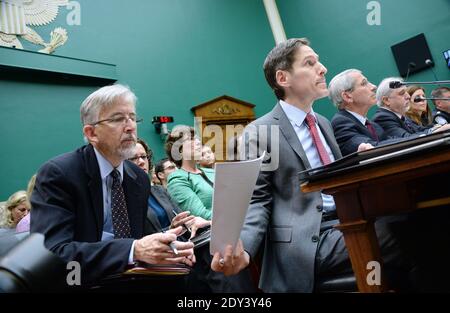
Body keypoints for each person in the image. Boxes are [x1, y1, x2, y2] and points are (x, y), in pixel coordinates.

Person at [211, 38, 421, 292]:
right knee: (412, 229)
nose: (323, 69)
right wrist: (243, 248)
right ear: (283, 78)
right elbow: (257, 200)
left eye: (319, 62)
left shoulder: (322, 122)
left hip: (347, 219)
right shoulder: (261, 132)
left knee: (419, 217)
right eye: (310, 63)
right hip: (309, 240)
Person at [30, 84, 194, 286]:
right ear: (91, 133)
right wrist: (133, 250)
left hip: (132, 279)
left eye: (133, 118)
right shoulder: (59, 174)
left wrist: (166, 247)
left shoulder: (138, 178)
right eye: (118, 119)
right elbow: (51, 255)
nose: (130, 126)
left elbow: (138, 239)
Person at [329, 69, 401, 156]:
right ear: (347, 96)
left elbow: (393, 141)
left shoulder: (373, 125)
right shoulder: (341, 123)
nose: (374, 87)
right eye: (364, 83)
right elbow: (371, 148)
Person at [372, 77, 450, 138]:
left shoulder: (400, 116)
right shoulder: (383, 118)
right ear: (386, 100)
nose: (408, 96)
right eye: (402, 93)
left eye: (406, 92)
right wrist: (435, 131)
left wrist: (438, 128)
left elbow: (420, 129)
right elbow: (407, 139)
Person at [165, 126, 214, 220]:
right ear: (179, 150)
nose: (198, 142)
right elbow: (201, 215)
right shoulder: (177, 179)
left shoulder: (212, 172)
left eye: (197, 139)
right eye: (191, 139)